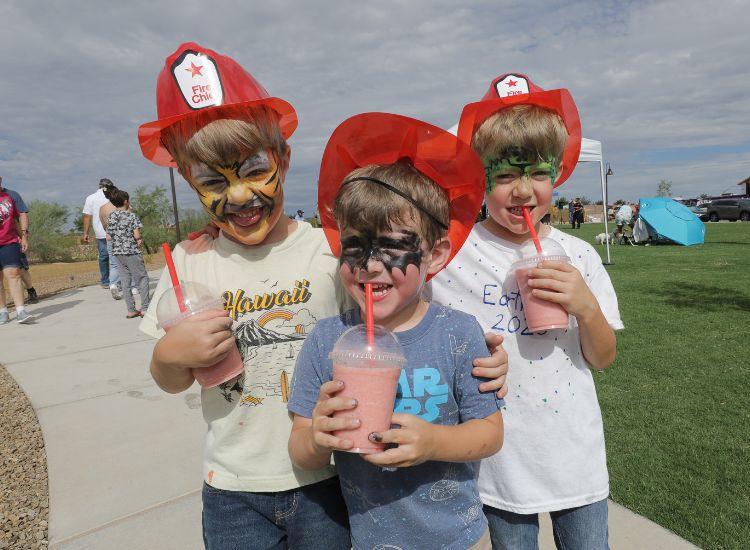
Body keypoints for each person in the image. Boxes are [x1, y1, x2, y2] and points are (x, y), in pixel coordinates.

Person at [135, 40, 511, 550]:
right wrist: (167, 355)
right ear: (187, 178)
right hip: (234, 481)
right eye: (212, 180)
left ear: (283, 159)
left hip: (330, 483)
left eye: (253, 171)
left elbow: (413, 306)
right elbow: (169, 379)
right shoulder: (188, 261)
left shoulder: (329, 250)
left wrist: (485, 358)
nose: (241, 196)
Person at [288, 112, 503, 550]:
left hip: (462, 539)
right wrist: (317, 438)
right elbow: (299, 448)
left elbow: (490, 434)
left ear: (436, 254)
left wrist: (433, 443)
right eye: (356, 246)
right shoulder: (328, 339)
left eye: (391, 246)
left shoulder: (458, 333)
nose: (369, 265)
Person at [431, 73, 623, 549]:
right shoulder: (451, 254)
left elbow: (603, 358)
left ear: (556, 174)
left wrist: (585, 308)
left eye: (538, 174)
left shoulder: (578, 256)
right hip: (497, 460)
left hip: (575, 455)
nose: (523, 191)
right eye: (505, 175)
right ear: (482, 178)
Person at [106, 189, 150, 319]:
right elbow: (136, 235)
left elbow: (108, 237)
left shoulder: (111, 217)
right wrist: (138, 239)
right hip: (131, 251)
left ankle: (131, 310)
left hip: (118, 253)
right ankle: (145, 308)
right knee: (141, 278)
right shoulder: (131, 216)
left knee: (125, 280)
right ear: (126, 201)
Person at [0, 176, 34, 324]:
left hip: (9, 241)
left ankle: (21, 310)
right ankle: (3, 312)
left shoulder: (11, 195)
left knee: (13, 273)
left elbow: (22, 214)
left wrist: (24, 236)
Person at [82, 178, 118, 292]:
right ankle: (117, 280)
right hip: (115, 231)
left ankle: (106, 281)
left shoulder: (90, 198)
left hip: (100, 232)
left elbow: (87, 216)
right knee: (116, 256)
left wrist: (86, 233)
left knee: (103, 257)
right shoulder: (115, 196)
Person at [99, 184, 123, 300]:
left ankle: (113, 284)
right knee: (127, 262)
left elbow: (104, 225)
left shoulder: (103, 208)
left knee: (113, 264)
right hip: (123, 238)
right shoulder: (122, 205)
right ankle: (133, 286)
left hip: (110, 237)